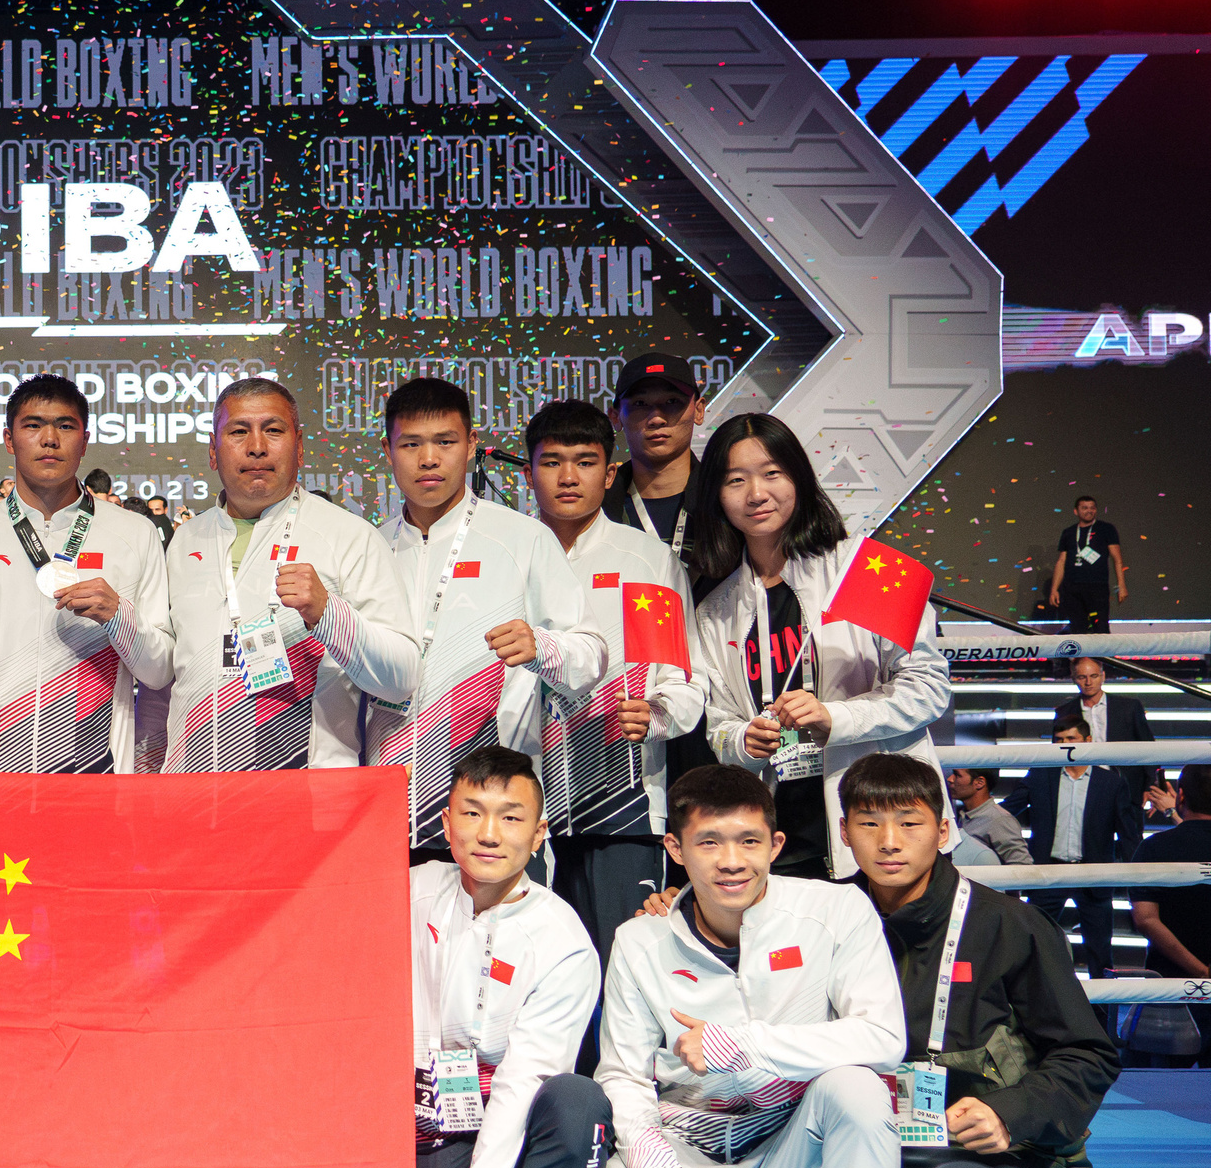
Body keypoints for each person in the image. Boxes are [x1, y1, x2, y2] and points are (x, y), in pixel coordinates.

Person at [577, 765, 905, 1168]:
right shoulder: (641, 940)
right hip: (689, 1147)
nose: (732, 861)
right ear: (675, 850)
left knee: (861, 1091)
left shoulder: (835, 910)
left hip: (787, 1154)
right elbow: (620, 1073)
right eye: (710, 842)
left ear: (777, 845)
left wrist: (749, 1044)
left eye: (750, 841)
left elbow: (884, 1036)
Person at [291, 746, 610, 1168]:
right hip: (423, 1117)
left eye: (511, 817)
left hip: (513, 1126)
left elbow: (525, 1088)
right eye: (473, 813)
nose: (489, 834)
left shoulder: (564, 940)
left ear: (539, 832)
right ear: (444, 822)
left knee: (578, 1104)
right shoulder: (408, 889)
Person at [836, 753, 1116, 1168]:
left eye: (909, 824)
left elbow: (1090, 1053)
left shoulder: (1009, 925)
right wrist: (679, 912)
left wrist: (1009, 1114)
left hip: (1020, 1163)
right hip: (890, 1146)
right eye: (867, 823)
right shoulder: (826, 916)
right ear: (844, 829)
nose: (887, 843)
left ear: (942, 831)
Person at [688, 413, 951, 881]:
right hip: (782, 838)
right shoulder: (715, 610)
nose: (756, 494)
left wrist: (836, 719)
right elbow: (719, 724)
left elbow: (928, 687)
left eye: (772, 473)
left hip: (881, 830)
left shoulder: (869, 566)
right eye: (735, 480)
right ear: (716, 495)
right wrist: (744, 742)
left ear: (799, 477)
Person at [365, 376, 607, 854]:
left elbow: (592, 653)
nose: (429, 459)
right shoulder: (369, 546)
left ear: (472, 444)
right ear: (389, 451)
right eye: (411, 444)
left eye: (445, 442)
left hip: (490, 802)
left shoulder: (522, 538)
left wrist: (544, 649)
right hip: (385, 798)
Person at [525, 399, 708, 960]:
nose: (567, 477)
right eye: (551, 462)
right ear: (529, 470)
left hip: (618, 797)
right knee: (525, 963)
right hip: (519, 793)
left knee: (617, 960)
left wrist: (657, 713)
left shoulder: (643, 561)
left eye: (584, 462)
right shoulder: (510, 553)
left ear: (610, 473)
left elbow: (680, 678)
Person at [160, 377, 418, 774]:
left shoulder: (349, 535)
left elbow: (401, 677)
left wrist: (328, 615)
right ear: (213, 451)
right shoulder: (184, 541)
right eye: (239, 431)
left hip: (307, 796)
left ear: (299, 447)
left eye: (273, 430)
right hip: (194, 795)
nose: (257, 446)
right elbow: (167, 676)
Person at [0, 374, 174, 778]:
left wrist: (119, 615)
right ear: (9, 440)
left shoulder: (134, 533)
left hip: (98, 769)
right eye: (33, 425)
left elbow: (160, 669)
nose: (49, 439)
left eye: (65, 425)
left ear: (85, 440)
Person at [1007, 714, 1141, 980]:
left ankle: (1102, 1015)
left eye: (1071, 739)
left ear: (1088, 741)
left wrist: (1138, 877)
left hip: (1093, 876)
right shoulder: (1040, 775)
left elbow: (1128, 834)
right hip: (1047, 873)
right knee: (1034, 945)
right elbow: (1009, 809)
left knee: (1100, 951)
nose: (1065, 745)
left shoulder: (1111, 782)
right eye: (1059, 740)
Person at [1130, 763, 1211, 1065]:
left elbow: (1146, 919)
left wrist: (1202, 972)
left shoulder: (1154, 849)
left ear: (1180, 797)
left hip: (1170, 992)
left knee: (1160, 1092)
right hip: (1170, 994)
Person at [599, 353, 702, 552]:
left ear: (698, 410)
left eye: (672, 401)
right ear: (615, 417)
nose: (656, 419)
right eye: (640, 404)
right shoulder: (596, 508)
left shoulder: (724, 499)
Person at [1053, 655, 1154, 801]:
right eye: (1082, 677)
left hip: (1126, 786)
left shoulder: (1129, 708)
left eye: (1093, 676)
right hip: (1082, 787)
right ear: (1074, 678)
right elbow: (1056, 753)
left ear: (1103, 676)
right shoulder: (1064, 712)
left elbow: (1147, 746)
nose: (1088, 682)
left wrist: (1149, 786)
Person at [1048, 496, 1125, 634]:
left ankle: (1101, 656)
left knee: (1100, 627)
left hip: (1097, 587)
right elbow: (1061, 561)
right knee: (1078, 628)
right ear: (1076, 511)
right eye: (1085, 508)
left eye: (1092, 508)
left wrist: (1121, 585)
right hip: (1072, 588)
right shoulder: (1069, 532)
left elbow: (1117, 559)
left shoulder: (1106, 529)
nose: (1089, 511)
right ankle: (1083, 656)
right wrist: (1054, 589)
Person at [945, 767, 1034, 866]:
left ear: (979, 783)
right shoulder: (961, 815)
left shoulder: (999, 819)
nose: (950, 779)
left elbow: (1022, 866)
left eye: (957, 775)